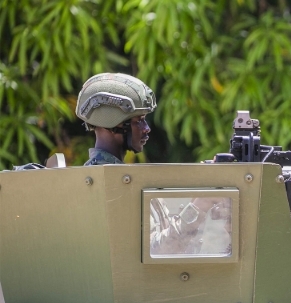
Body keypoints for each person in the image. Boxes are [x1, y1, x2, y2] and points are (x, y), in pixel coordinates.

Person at [77, 73, 231, 256]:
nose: (146, 128)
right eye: (138, 121)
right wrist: (200, 205)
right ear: (113, 125)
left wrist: (202, 204)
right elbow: (154, 253)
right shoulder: (106, 185)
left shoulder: (116, 177)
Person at [75, 73, 156, 165]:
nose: (146, 128)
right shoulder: (109, 176)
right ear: (110, 121)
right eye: (138, 120)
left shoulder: (103, 172)